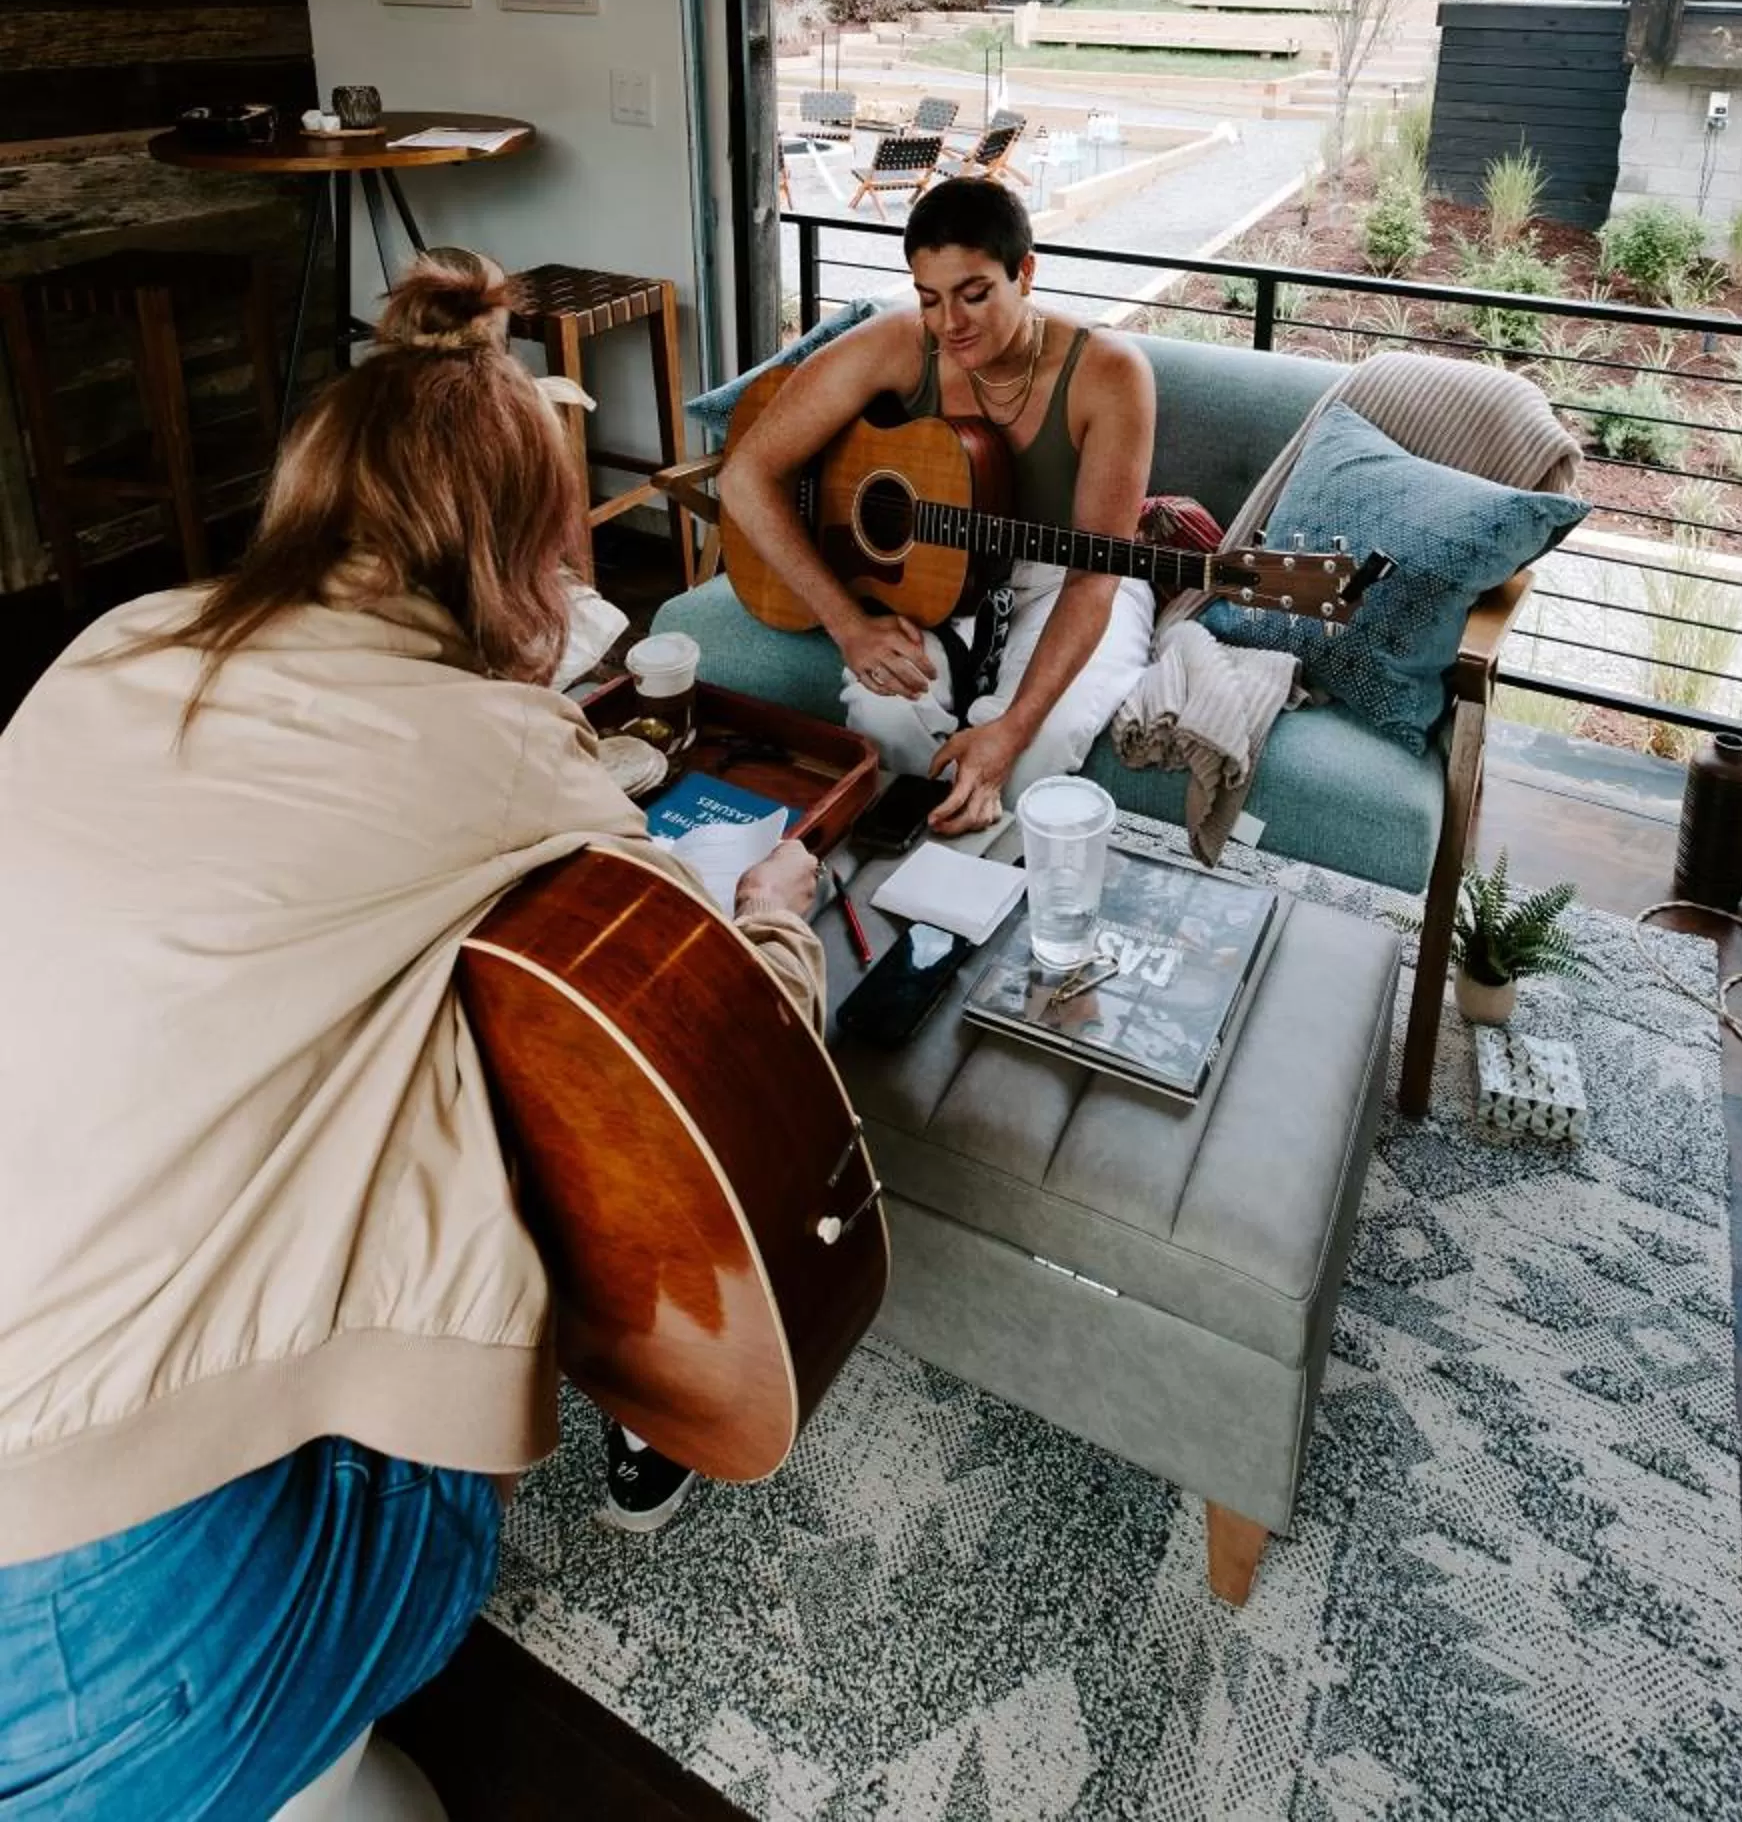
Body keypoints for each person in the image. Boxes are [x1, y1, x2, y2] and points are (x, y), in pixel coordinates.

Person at [0, 257, 821, 1815]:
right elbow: (717, 1030)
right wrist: (780, 905)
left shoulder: (105, 648)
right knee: (508, 1074)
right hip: (133, 1639)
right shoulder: (495, 745)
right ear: (528, 554)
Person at [722, 175, 1157, 836]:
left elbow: (1094, 576)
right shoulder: (901, 343)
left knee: (1037, 747)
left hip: (1061, 580)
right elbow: (745, 476)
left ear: (1025, 272)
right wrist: (846, 623)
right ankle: (901, 890)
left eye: (974, 294)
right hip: (933, 577)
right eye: (930, 298)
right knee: (883, 713)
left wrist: (1009, 729)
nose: (950, 323)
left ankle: (985, 902)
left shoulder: (1110, 375)